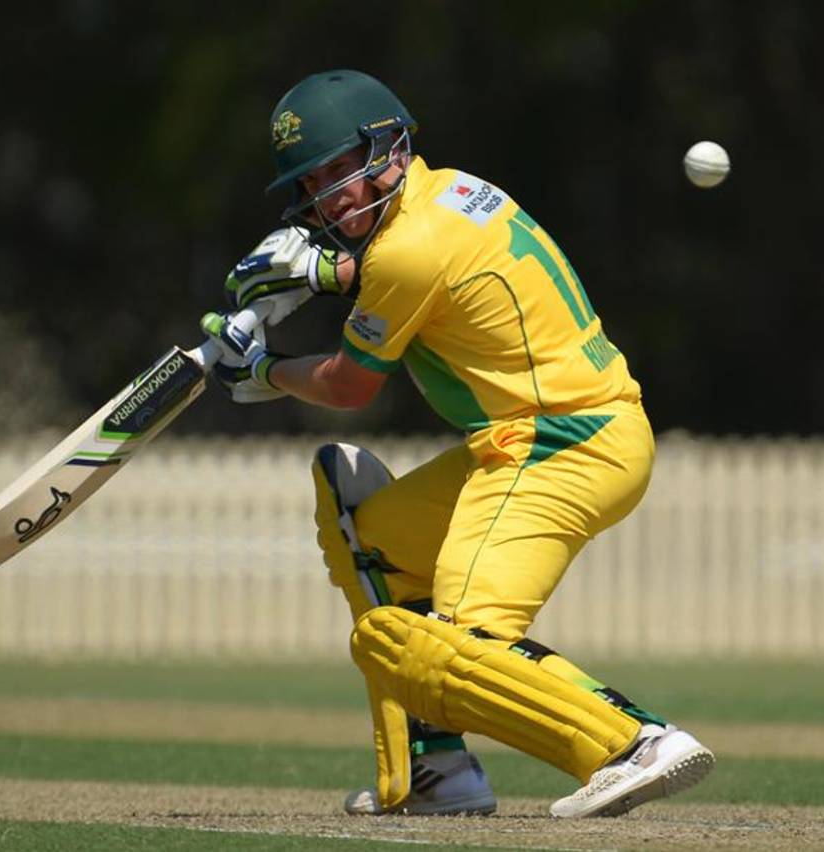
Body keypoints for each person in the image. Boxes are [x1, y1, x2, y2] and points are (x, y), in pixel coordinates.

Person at [200, 69, 714, 818]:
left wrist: (265, 370)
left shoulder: (407, 248)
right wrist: (321, 272)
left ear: (391, 147)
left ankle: (633, 742)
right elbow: (399, 266)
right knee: (369, 539)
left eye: (343, 168)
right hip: (548, 434)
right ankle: (441, 770)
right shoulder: (451, 192)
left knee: (460, 639)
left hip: (560, 442)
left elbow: (349, 385)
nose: (331, 195)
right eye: (315, 181)